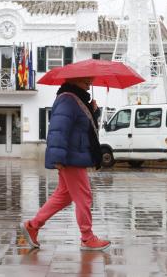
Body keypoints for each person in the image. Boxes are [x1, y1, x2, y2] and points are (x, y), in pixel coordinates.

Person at [21, 77, 111, 251]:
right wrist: (58, 158)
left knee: (64, 196)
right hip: (71, 157)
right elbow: (58, 129)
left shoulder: (76, 99)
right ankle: (87, 237)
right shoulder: (68, 99)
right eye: (86, 79)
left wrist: (93, 111)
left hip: (74, 155)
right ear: (74, 79)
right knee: (84, 197)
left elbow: (82, 126)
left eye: (91, 80)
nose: (90, 82)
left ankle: (32, 226)